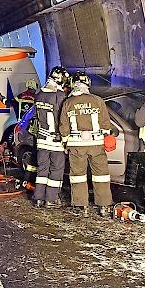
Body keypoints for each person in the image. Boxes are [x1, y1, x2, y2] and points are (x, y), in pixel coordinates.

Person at [60, 71, 113, 217]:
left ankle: (80, 206)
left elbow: (63, 127)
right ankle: (104, 206)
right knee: (101, 175)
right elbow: (105, 124)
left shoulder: (68, 103)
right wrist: (106, 136)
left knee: (78, 176)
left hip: (76, 146)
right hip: (96, 145)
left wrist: (65, 143)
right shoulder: (97, 100)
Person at [31, 66, 68, 209]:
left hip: (41, 139)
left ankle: (38, 198)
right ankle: (51, 199)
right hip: (55, 140)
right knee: (56, 169)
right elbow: (62, 119)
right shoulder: (59, 95)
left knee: (42, 169)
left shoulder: (39, 94)